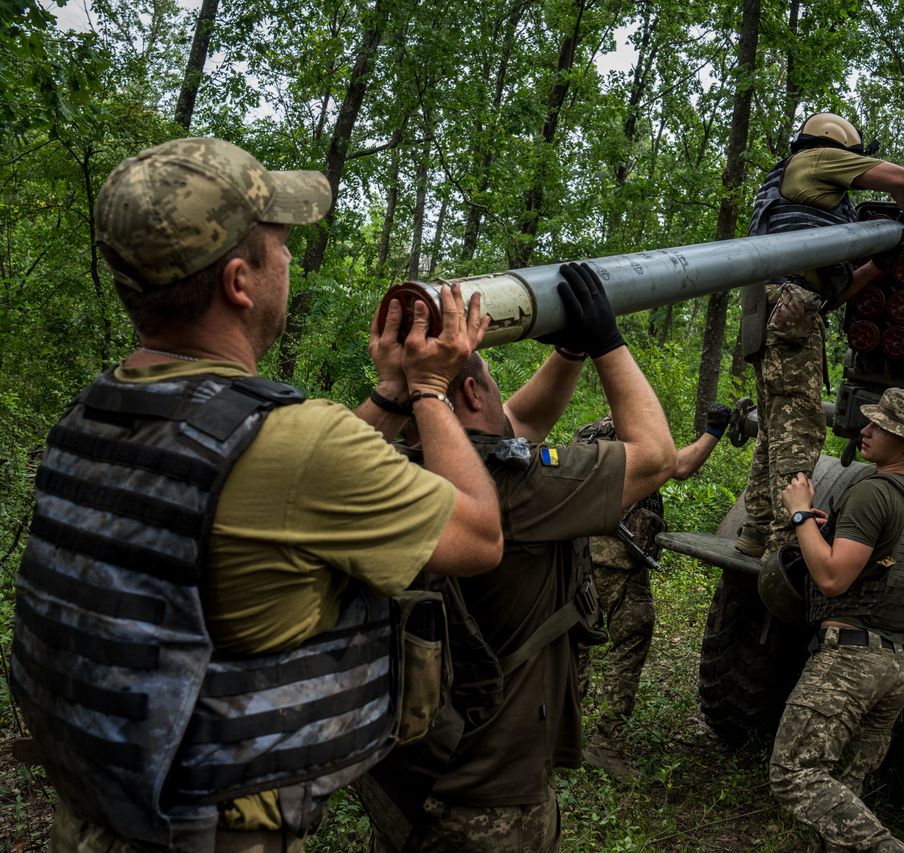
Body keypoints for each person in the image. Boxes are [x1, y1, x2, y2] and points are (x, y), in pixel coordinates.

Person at [8, 137, 503, 852]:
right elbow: (481, 535)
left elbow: (255, 478)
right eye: (282, 245)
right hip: (211, 833)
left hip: (97, 817)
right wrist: (430, 390)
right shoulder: (304, 445)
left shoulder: (92, 414)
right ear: (241, 281)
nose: (290, 260)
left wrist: (389, 395)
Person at [363, 262, 676, 851]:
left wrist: (570, 350)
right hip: (492, 802)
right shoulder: (515, 488)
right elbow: (656, 456)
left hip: (409, 778)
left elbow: (521, 423)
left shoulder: (388, 467)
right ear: (477, 391)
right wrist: (608, 343)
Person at [769, 387, 904, 852]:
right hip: (896, 665)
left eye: (881, 427)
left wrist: (801, 514)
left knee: (795, 774)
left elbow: (831, 579)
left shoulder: (872, 491)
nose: (865, 430)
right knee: (845, 789)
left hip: (850, 660)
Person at [737, 112, 904, 561]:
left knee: (776, 429)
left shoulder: (798, 204)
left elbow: (831, 293)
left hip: (776, 312)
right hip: (790, 312)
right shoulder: (817, 160)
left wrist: (880, 264)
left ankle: (756, 529)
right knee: (800, 426)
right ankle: (784, 542)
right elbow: (901, 179)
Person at [574, 401, 732, 781]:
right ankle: (606, 745)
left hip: (577, 559)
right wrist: (714, 430)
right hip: (619, 562)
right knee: (630, 643)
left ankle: (559, 737)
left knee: (574, 644)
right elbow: (680, 467)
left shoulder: (587, 434)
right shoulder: (637, 439)